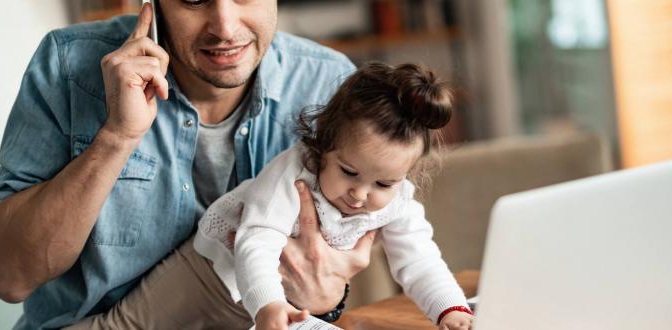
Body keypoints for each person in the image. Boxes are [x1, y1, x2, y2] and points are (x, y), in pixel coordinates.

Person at [0, 1, 374, 329]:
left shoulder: (328, 83)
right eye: (194, 0)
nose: (225, 27)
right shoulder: (69, 65)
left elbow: (329, 275)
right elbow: (9, 278)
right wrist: (117, 137)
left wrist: (328, 299)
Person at [73, 62, 475, 330]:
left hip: (273, 306)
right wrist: (267, 305)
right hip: (212, 271)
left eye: (383, 184)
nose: (360, 194)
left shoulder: (400, 201)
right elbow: (257, 241)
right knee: (127, 326)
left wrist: (451, 310)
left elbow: (420, 259)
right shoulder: (296, 170)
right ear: (324, 146)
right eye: (349, 172)